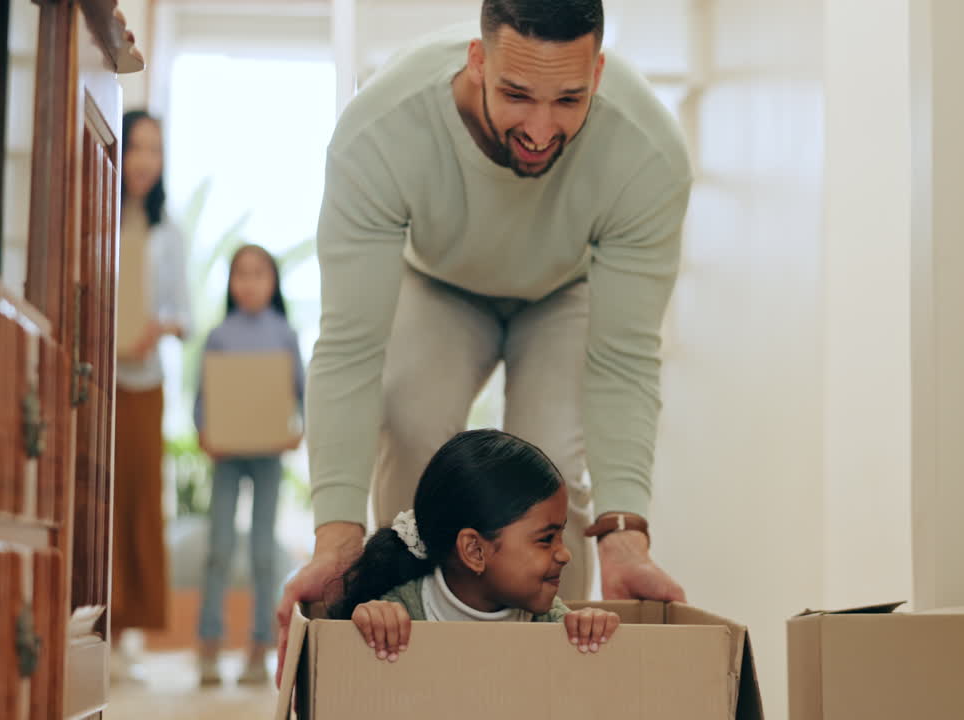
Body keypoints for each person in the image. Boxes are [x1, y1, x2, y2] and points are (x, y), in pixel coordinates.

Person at [280, 0, 691, 678]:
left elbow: (624, 361)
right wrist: (337, 537)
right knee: (411, 428)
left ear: (598, 72)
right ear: (478, 61)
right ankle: (402, 665)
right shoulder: (381, 129)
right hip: (437, 281)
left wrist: (625, 537)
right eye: (517, 94)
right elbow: (350, 349)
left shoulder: (647, 153)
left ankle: (556, 678)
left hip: (564, 291)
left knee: (550, 472)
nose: (541, 128)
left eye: (569, 99)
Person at [330, 430, 621, 661]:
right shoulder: (402, 612)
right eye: (546, 539)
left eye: (561, 535)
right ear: (474, 551)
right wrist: (372, 622)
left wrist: (590, 629)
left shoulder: (548, 619)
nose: (565, 554)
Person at [194, 245, 305, 686]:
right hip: (226, 456)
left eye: (259, 273)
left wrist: (299, 431)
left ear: (273, 282)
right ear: (230, 283)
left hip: (268, 456)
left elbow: (301, 392)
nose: (250, 282)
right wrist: (204, 432)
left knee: (263, 552)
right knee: (219, 548)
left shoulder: (285, 335)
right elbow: (203, 395)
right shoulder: (219, 335)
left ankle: (259, 649)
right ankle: (209, 645)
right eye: (241, 273)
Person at [112, 110, 191, 681]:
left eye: (154, 150)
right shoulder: (96, 212)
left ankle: (126, 634)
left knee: (139, 501)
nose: (144, 160)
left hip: (144, 383)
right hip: (94, 377)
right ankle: (93, 623)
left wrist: (155, 328)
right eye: (136, 147)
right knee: (97, 497)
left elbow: (184, 314)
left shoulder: (170, 231)